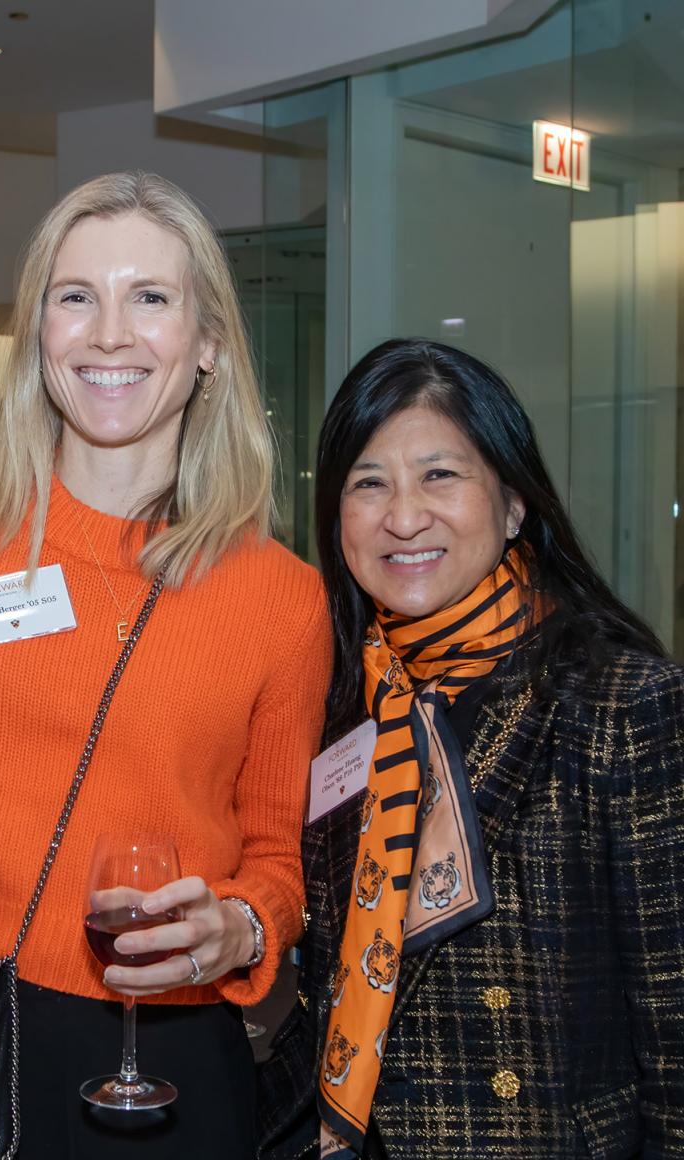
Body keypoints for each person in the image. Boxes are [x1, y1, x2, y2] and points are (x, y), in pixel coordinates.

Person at [0, 171, 332, 1158]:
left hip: (170, 1056)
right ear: (39, 332)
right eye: (76, 296)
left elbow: (276, 858)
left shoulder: (282, 597)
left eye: (149, 297)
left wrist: (240, 926)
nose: (110, 335)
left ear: (206, 342)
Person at [258, 339, 684, 1159]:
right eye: (368, 484)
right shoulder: (343, 706)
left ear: (515, 504)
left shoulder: (625, 704)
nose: (403, 517)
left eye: (440, 475)